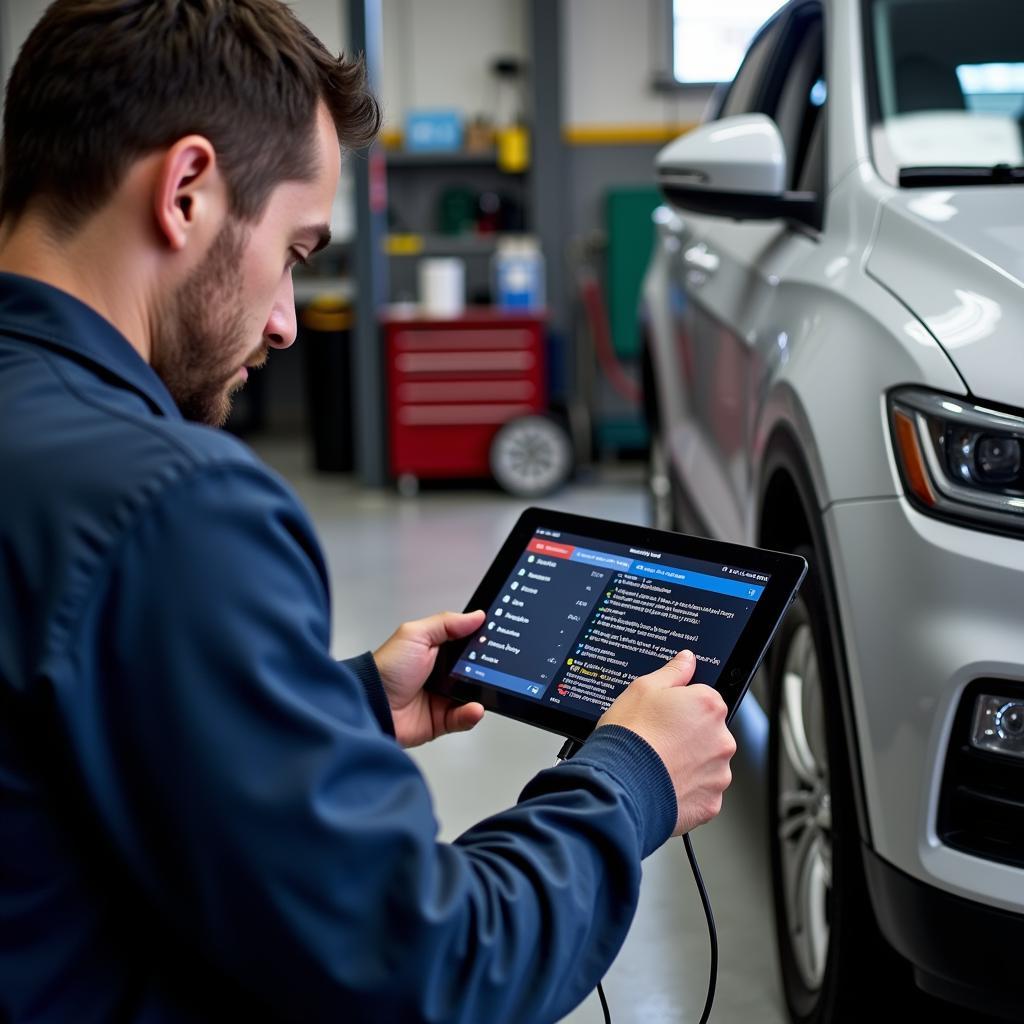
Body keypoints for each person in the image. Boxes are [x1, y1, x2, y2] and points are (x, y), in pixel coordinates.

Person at [0, 2, 736, 1022]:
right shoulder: (173, 504)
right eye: (297, 253)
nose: (287, 322)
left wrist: (335, 703)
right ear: (186, 191)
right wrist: (633, 776)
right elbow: (429, 968)